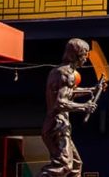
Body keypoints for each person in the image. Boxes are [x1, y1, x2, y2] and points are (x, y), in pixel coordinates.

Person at [40, 38, 100, 177]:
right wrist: (84, 107)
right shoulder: (65, 73)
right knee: (64, 165)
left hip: (61, 125)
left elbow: (68, 93)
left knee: (76, 165)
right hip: (57, 125)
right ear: (76, 54)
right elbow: (60, 103)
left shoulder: (64, 72)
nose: (86, 58)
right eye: (84, 54)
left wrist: (91, 90)